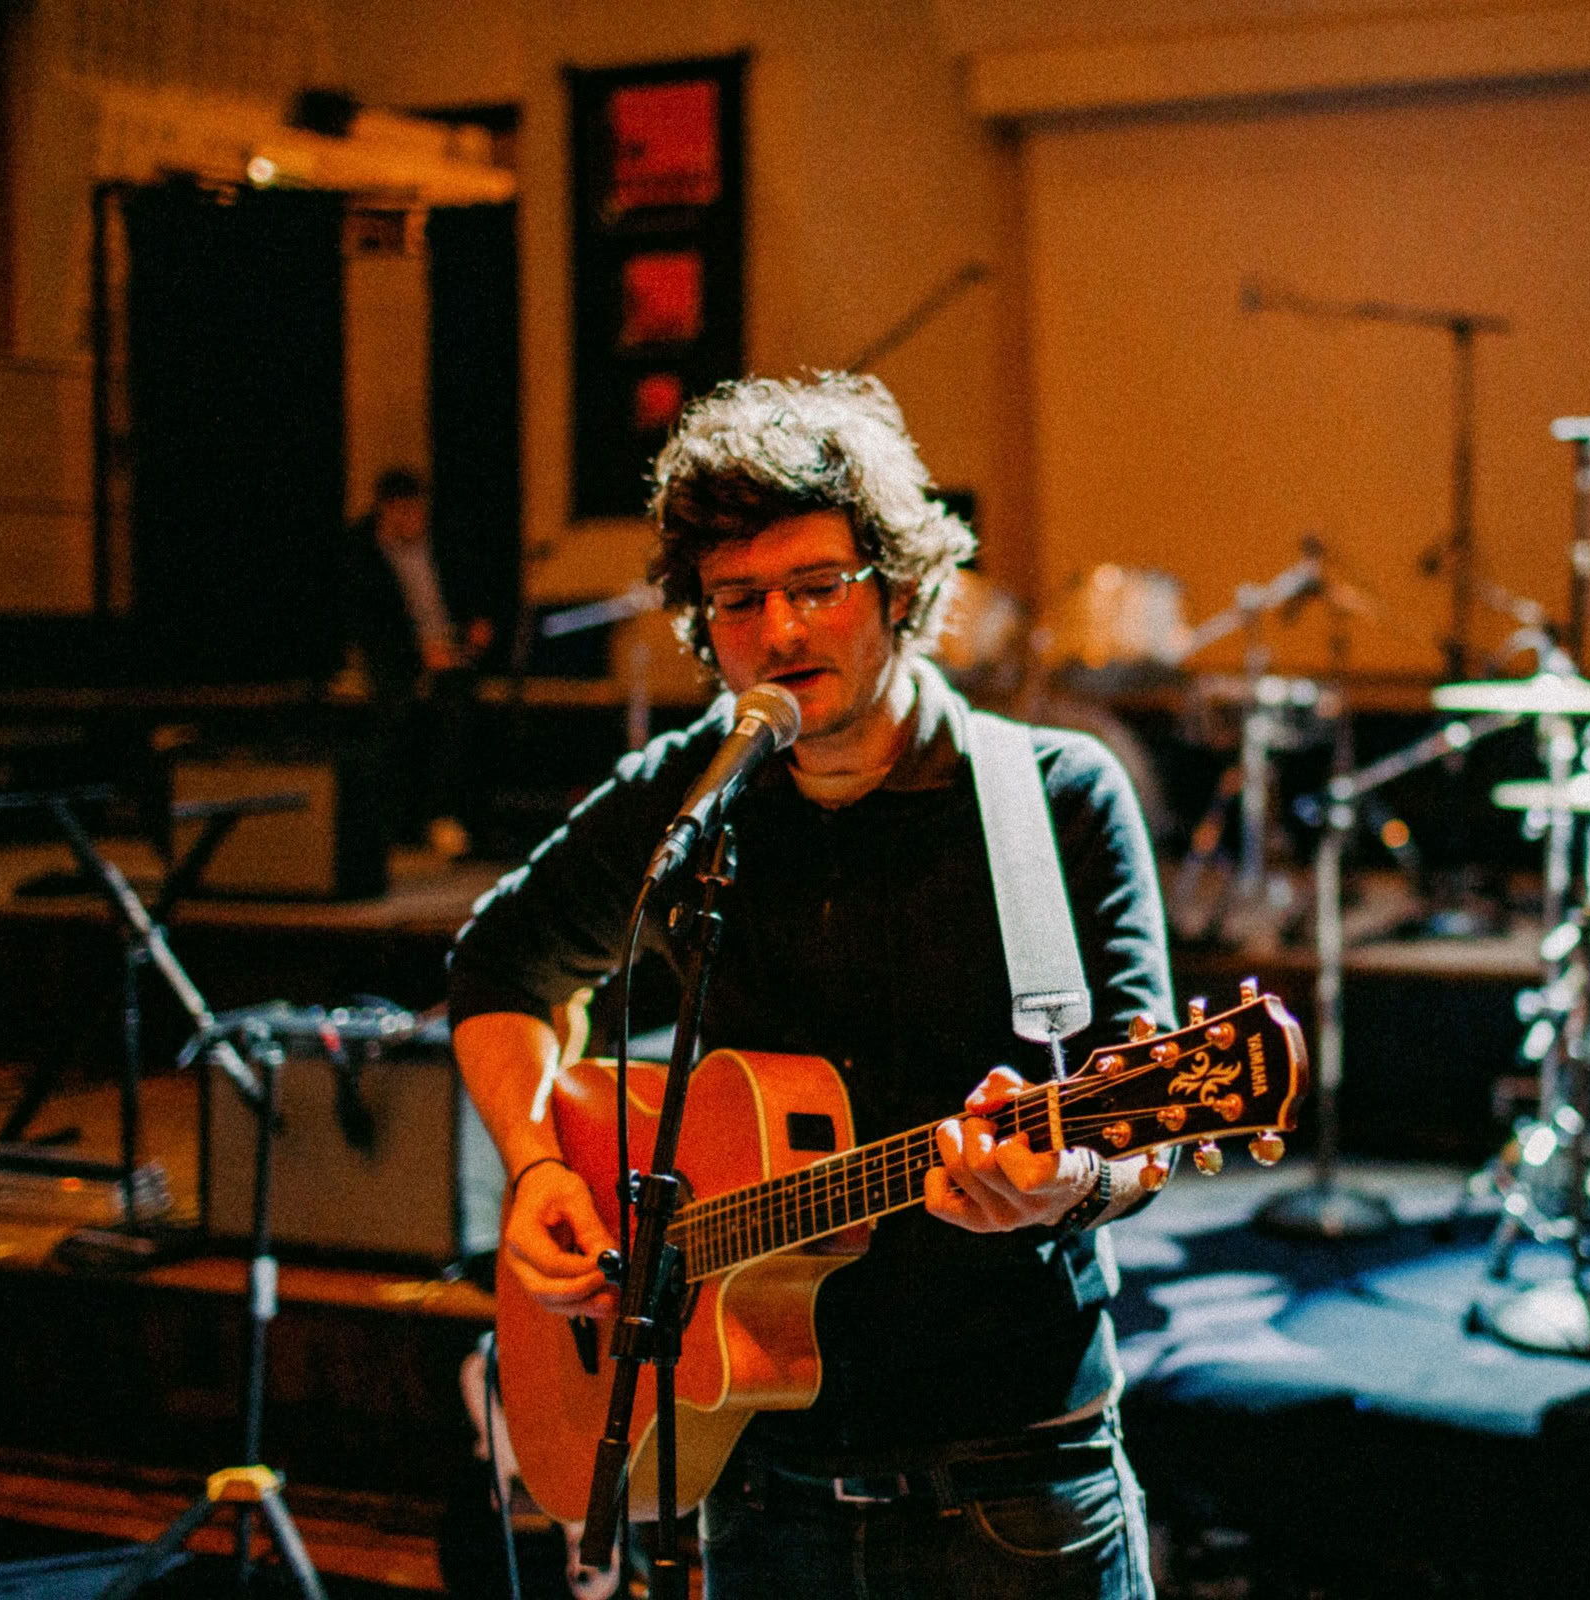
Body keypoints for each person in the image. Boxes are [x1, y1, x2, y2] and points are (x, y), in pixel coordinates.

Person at [448, 373, 1171, 1598]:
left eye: (817, 587)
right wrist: (539, 1170)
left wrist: (1065, 1181)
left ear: (898, 588)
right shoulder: (689, 797)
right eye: (738, 601)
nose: (780, 631)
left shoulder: (1051, 797)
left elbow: (1139, 1132)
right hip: (756, 1488)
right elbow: (496, 966)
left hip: (1014, 1487)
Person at [339, 466, 493, 858]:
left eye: (420, 512)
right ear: (386, 511)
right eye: (406, 513)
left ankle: (444, 815)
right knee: (396, 716)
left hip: (448, 653)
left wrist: (473, 626)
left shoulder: (442, 540)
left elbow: (469, 593)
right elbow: (368, 628)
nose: (416, 521)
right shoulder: (361, 552)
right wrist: (417, 654)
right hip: (396, 658)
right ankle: (393, 825)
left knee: (459, 709)